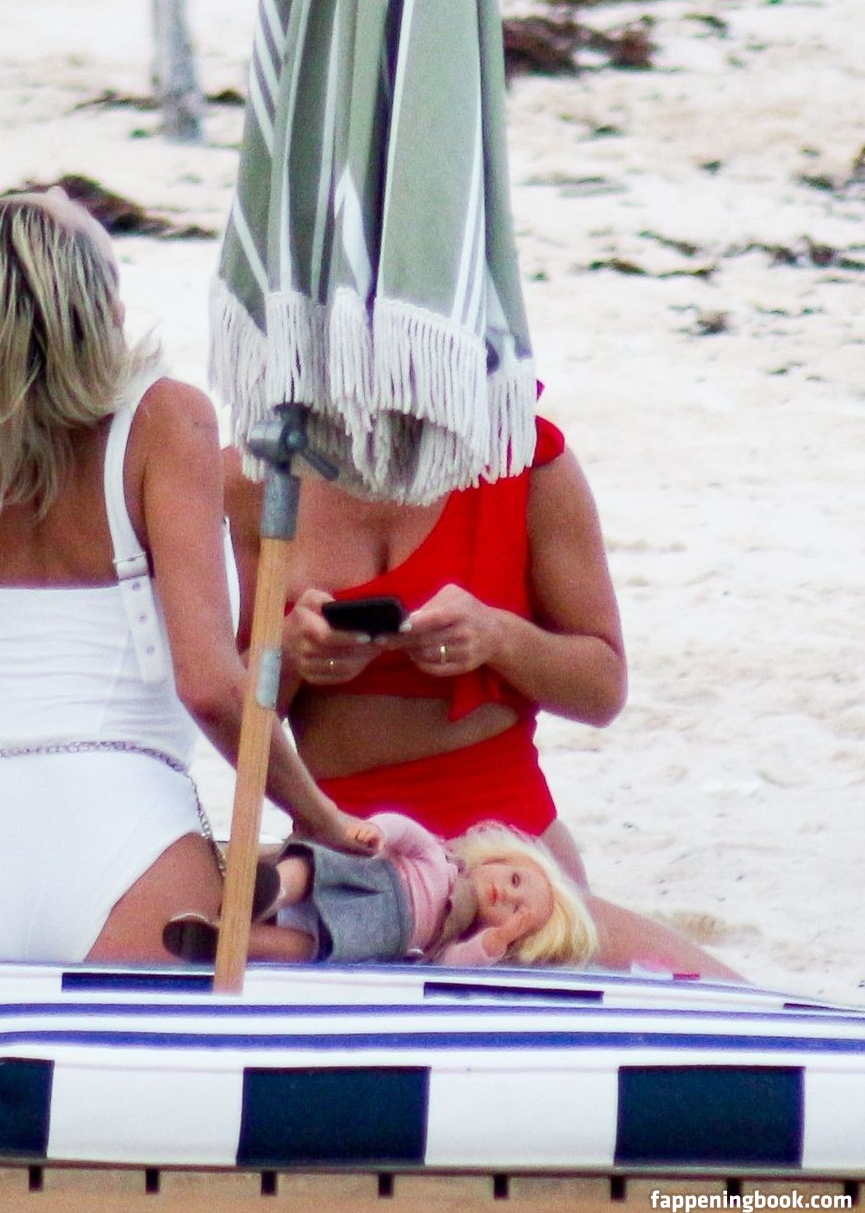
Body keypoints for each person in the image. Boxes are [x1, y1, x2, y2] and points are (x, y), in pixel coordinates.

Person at [0, 189, 371, 967]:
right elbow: (211, 689)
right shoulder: (166, 419)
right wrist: (318, 817)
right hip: (128, 837)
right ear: (99, 305)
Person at [221, 417, 741, 979]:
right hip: (348, 860)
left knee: (730, 1003)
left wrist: (498, 637)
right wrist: (287, 654)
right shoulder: (259, 473)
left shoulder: (523, 460)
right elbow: (219, 709)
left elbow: (603, 689)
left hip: (515, 864)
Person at [165, 813, 600, 969]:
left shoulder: (445, 939)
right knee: (318, 867)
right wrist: (379, 830)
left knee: (309, 946)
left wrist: (499, 938)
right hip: (378, 876)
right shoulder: (442, 861)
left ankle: (226, 942)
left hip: (375, 934)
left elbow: (456, 964)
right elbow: (408, 833)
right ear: (498, 860)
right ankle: (273, 889)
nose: (506, 894)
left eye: (517, 912)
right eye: (514, 880)